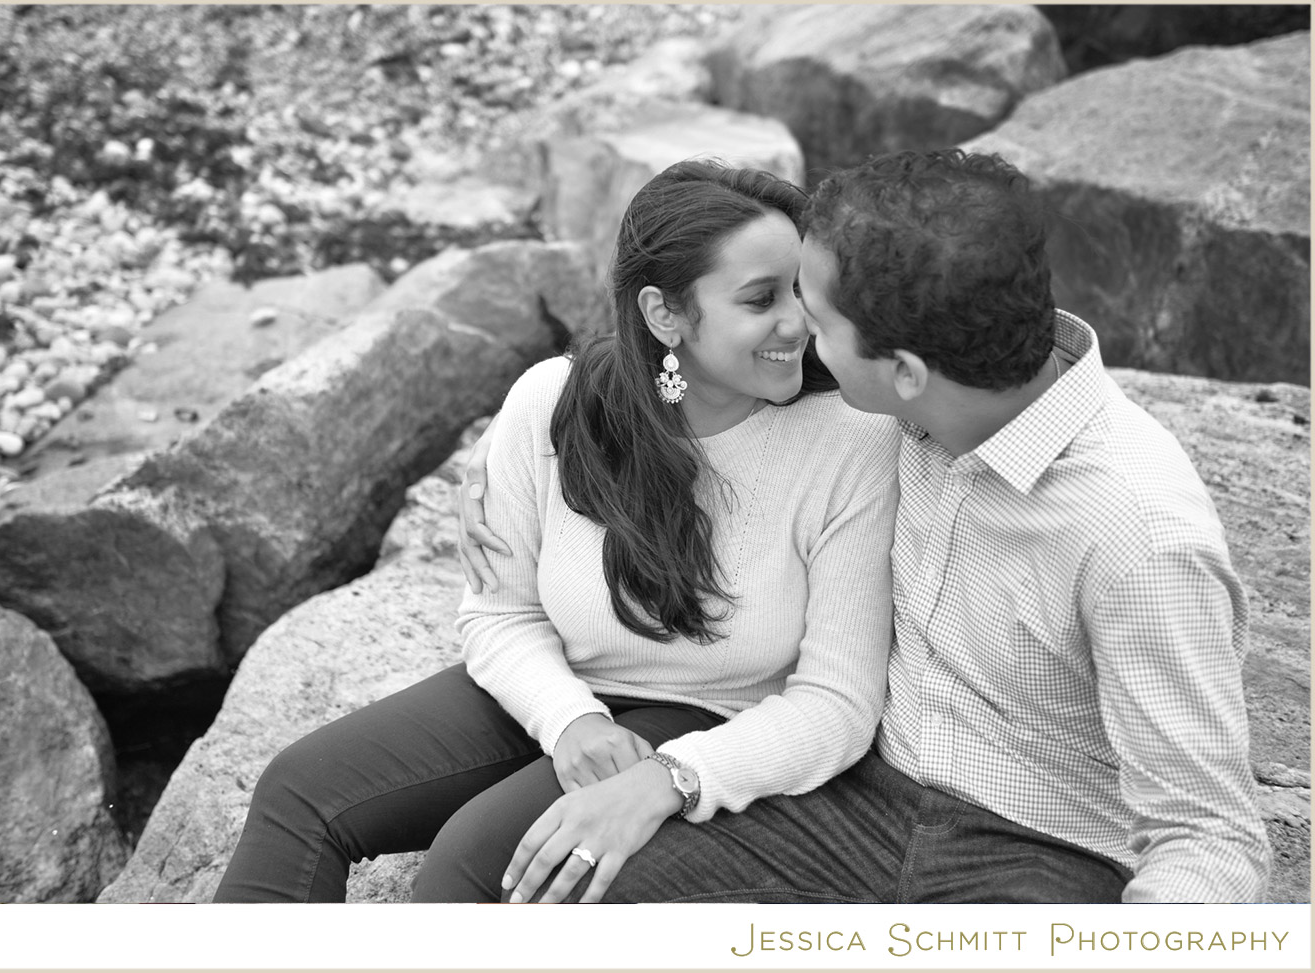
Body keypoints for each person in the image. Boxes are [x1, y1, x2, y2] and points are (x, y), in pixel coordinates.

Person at [460, 149, 1272, 903]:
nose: (798, 336)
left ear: (906, 372)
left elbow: (1210, 837)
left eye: (816, 316)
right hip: (855, 809)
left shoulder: (1138, 536)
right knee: (561, 899)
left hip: (1044, 855)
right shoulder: (926, 396)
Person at [212, 159, 901, 903]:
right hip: (563, 685)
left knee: (471, 864)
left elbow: (838, 701)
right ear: (664, 314)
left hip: (717, 717)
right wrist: (569, 720)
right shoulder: (554, 401)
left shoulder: (853, 440)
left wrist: (675, 776)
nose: (798, 322)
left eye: (802, 289)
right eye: (762, 298)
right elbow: (500, 612)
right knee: (300, 792)